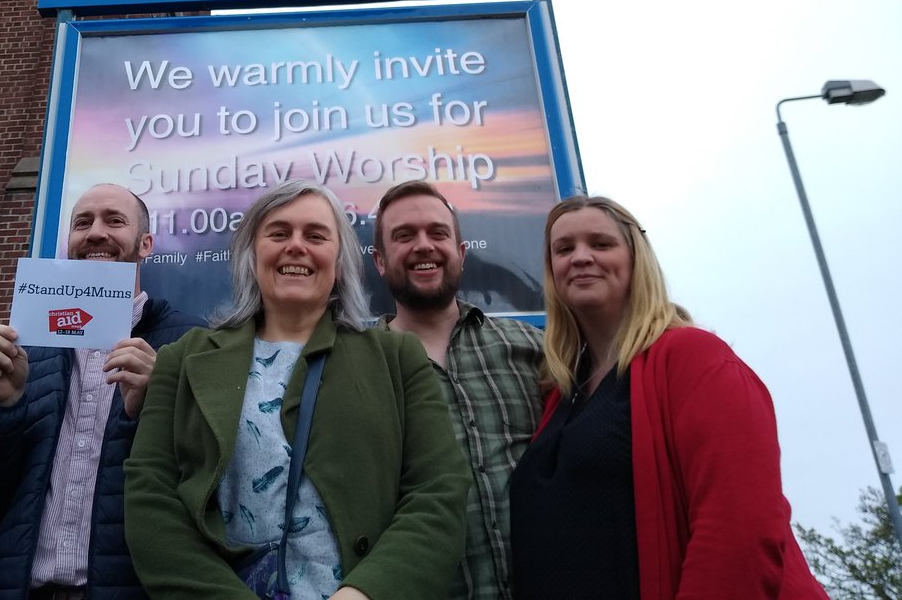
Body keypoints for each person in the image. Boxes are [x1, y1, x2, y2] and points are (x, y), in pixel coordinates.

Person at [125, 180, 471, 600]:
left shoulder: (397, 358)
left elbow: (437, 490)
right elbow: (150, 496)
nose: (296, 246)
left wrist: (367, 593)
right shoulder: (183, 359)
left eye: (315, 235)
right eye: (278, 233)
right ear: (252, 254)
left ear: (339, 258)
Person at [509, 195, 826, 599]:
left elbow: (739, 527)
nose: (581, 257)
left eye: (601, 244)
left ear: (636, 259)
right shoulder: (558, 394)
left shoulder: (693, 358)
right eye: (564, 249)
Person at [0, 183, 202, 600]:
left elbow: (210, 496)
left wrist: (161, 404)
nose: (96, 233)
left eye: (114, 220)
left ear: (145, 244)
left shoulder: (192, 343)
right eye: (82, 223)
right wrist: (1, 409)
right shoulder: (26, 348)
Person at [370, 180, 543, 600]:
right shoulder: (356, 368)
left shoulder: (531, 349)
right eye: (404, 235)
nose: (423, 245)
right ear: (379, 260)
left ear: (461, 253)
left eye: (438, 233)